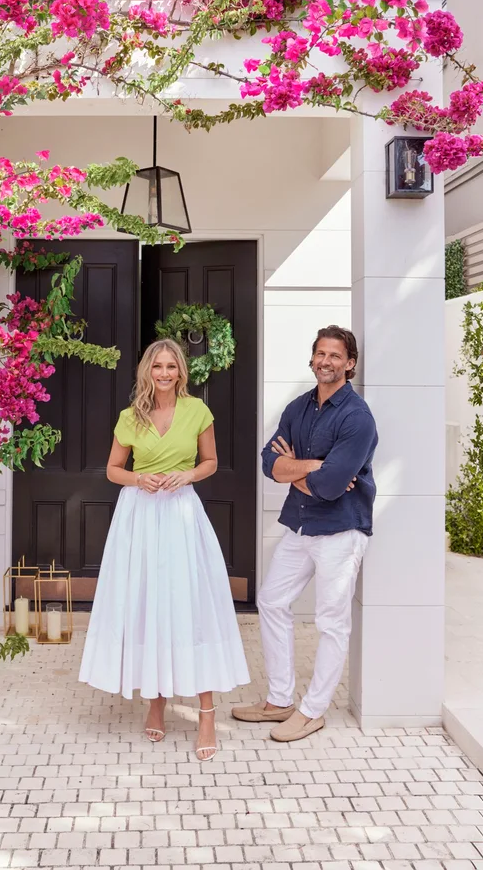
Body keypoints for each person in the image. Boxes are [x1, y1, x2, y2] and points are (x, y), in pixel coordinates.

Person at [79, 338, 250, 761]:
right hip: (138, 518)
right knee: (147, 605)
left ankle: (206, 713)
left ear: (181, 371)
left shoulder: (198, 411)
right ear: (147, 371)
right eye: (158, 366)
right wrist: (140, 480)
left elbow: (211, 461)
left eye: (172, 366)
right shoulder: (129, 417)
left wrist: (187, 475)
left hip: (180, 515)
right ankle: (156, 701)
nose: (165, 373)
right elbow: (113, 470)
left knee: (190, 606)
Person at [232, 325, 377, 743]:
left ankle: (312, 711)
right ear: (311, 358)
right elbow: (267, 462)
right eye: (320, 354)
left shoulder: (357, 417)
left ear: (349, 364)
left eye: (335, 356)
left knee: (332, 621)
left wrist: (299, 469)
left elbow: (332, 488)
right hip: (300, 524)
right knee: (272, 599)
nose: (325, 361)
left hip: (341, 529)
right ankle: (279, 700)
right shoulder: (298, 408)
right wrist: (314, 467)